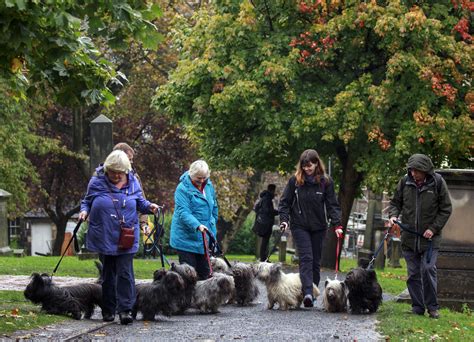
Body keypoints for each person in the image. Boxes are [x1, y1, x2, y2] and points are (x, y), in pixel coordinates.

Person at [78, 150, 159, 325]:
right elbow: (87, 201)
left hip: (126, 234)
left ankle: (125, 310)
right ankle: (108, 310)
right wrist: (84, 211)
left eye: (119, 172)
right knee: (108, 273)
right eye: (112, 171)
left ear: (126, 170)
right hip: (105, 233)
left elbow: (140, 202)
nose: (116, 175)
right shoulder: (97, 181)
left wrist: (150, 206)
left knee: (125, 273)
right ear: (107, 169)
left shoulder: (133, 182)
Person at [388, 153, 452, 319]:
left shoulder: (437, 183)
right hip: (409, 238)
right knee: (413, 274)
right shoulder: (405, 182)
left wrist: (433, 228)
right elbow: (395, 203)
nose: (413, 173)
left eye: (417, 171)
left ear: (425, 171)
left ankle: (432, 307)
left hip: (430, 239)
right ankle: (417, 307)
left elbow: (446, 209)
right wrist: (393, 216)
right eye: (411, 170)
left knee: (428, 269)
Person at [278, 149, 343, 308]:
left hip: (319, 226)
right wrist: (284, 220)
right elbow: (285, 202)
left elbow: (332, 204)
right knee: (306, 258)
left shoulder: (325, 182)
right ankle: (307, 292)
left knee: (315, 262)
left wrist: (337, 224)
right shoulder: (295, 181)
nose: (307, 168)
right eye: (304, 166)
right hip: (299, 225)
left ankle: (312, 292)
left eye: (310, 165)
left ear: (316, 164)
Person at [170, 160, 218, 280]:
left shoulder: (208, 185)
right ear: (191, 174)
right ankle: (187, 299)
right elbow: (183, 212)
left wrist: (213, 221)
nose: (201, 181)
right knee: (189, 277)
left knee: (206, 275)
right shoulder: (182, 189)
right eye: (198, 178)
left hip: (204, 237)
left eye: (204, 178)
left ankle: (203, 299)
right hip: (186, 239)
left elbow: (214, 205)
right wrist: (197, 225)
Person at [253, 184, 278, 262]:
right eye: (274, 191)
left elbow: (257, 208)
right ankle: (263, 259)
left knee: (265, 241)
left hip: (264, 223)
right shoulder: (267, 199)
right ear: (272, 190)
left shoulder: (263, 198)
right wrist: (278, 212)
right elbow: (268, 211)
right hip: (266, 224)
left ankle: (264, 258)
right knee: (265, 242)